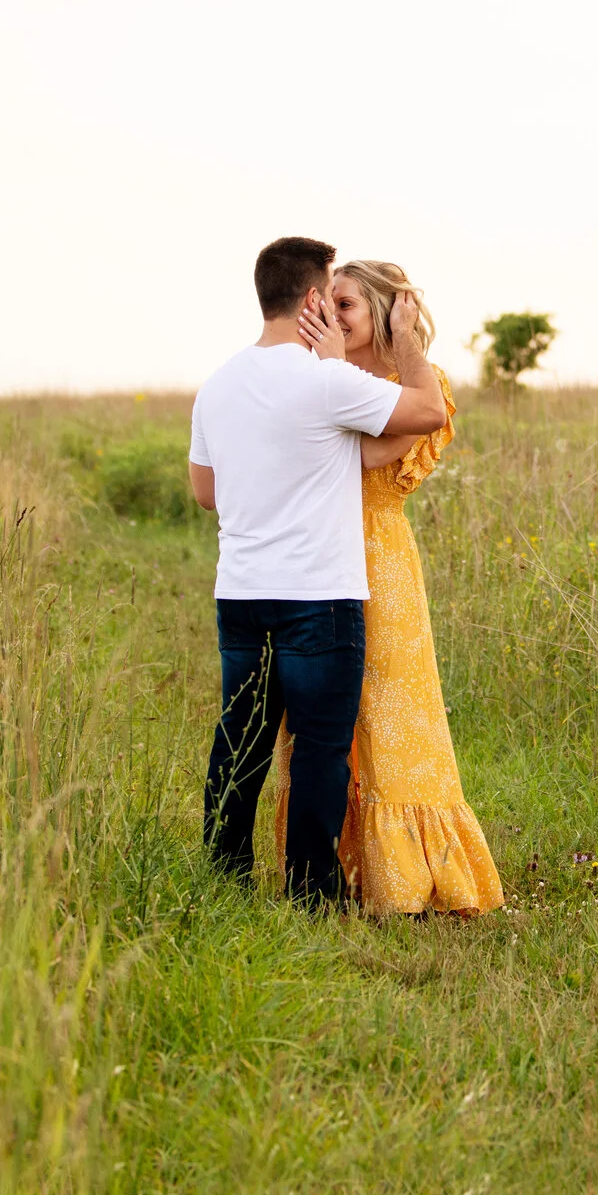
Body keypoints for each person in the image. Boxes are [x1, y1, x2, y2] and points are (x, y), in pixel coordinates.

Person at [187, 236, 448, 908]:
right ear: (311, 298)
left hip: (241, 593)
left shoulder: (217, 385)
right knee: (321, 751)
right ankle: (311, 894)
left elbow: (206, 493)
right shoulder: (328, 381)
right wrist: (406, 336)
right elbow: (429, 410)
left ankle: (223, 880)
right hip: (318, 599)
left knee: (239, 742)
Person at [282, 260, 504, 916]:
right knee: (323, 716)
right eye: (327, 303)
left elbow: (373, 450)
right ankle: (328, 865)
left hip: (380, 561)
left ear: (383, 311)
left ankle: (406, 876)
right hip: (315, 559)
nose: (332, 315)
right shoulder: (320, 381)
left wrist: (402, 339)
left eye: (346, 304)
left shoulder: (416, 387)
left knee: (392, 710)